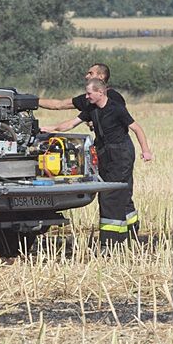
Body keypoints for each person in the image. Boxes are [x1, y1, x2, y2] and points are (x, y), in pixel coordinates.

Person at [40, 78, 153, 247]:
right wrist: (51, 129)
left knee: (109, 195)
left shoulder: (116, 109)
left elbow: (137, 128)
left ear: (100, 92)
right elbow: (71, 123)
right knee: (120, 193)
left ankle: (109, 242)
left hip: (120, 153)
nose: (86, 96)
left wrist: (146, 151)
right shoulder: (91, 109)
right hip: (103, 152)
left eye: (89, 93)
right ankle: (128, 234)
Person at [37, 63, 125, 111]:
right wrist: (32, 101)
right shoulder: (88, 99)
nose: (86, 76)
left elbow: (125, 121)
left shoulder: (115, 97)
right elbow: (59, 104)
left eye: (91, 73)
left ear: (101, 76)